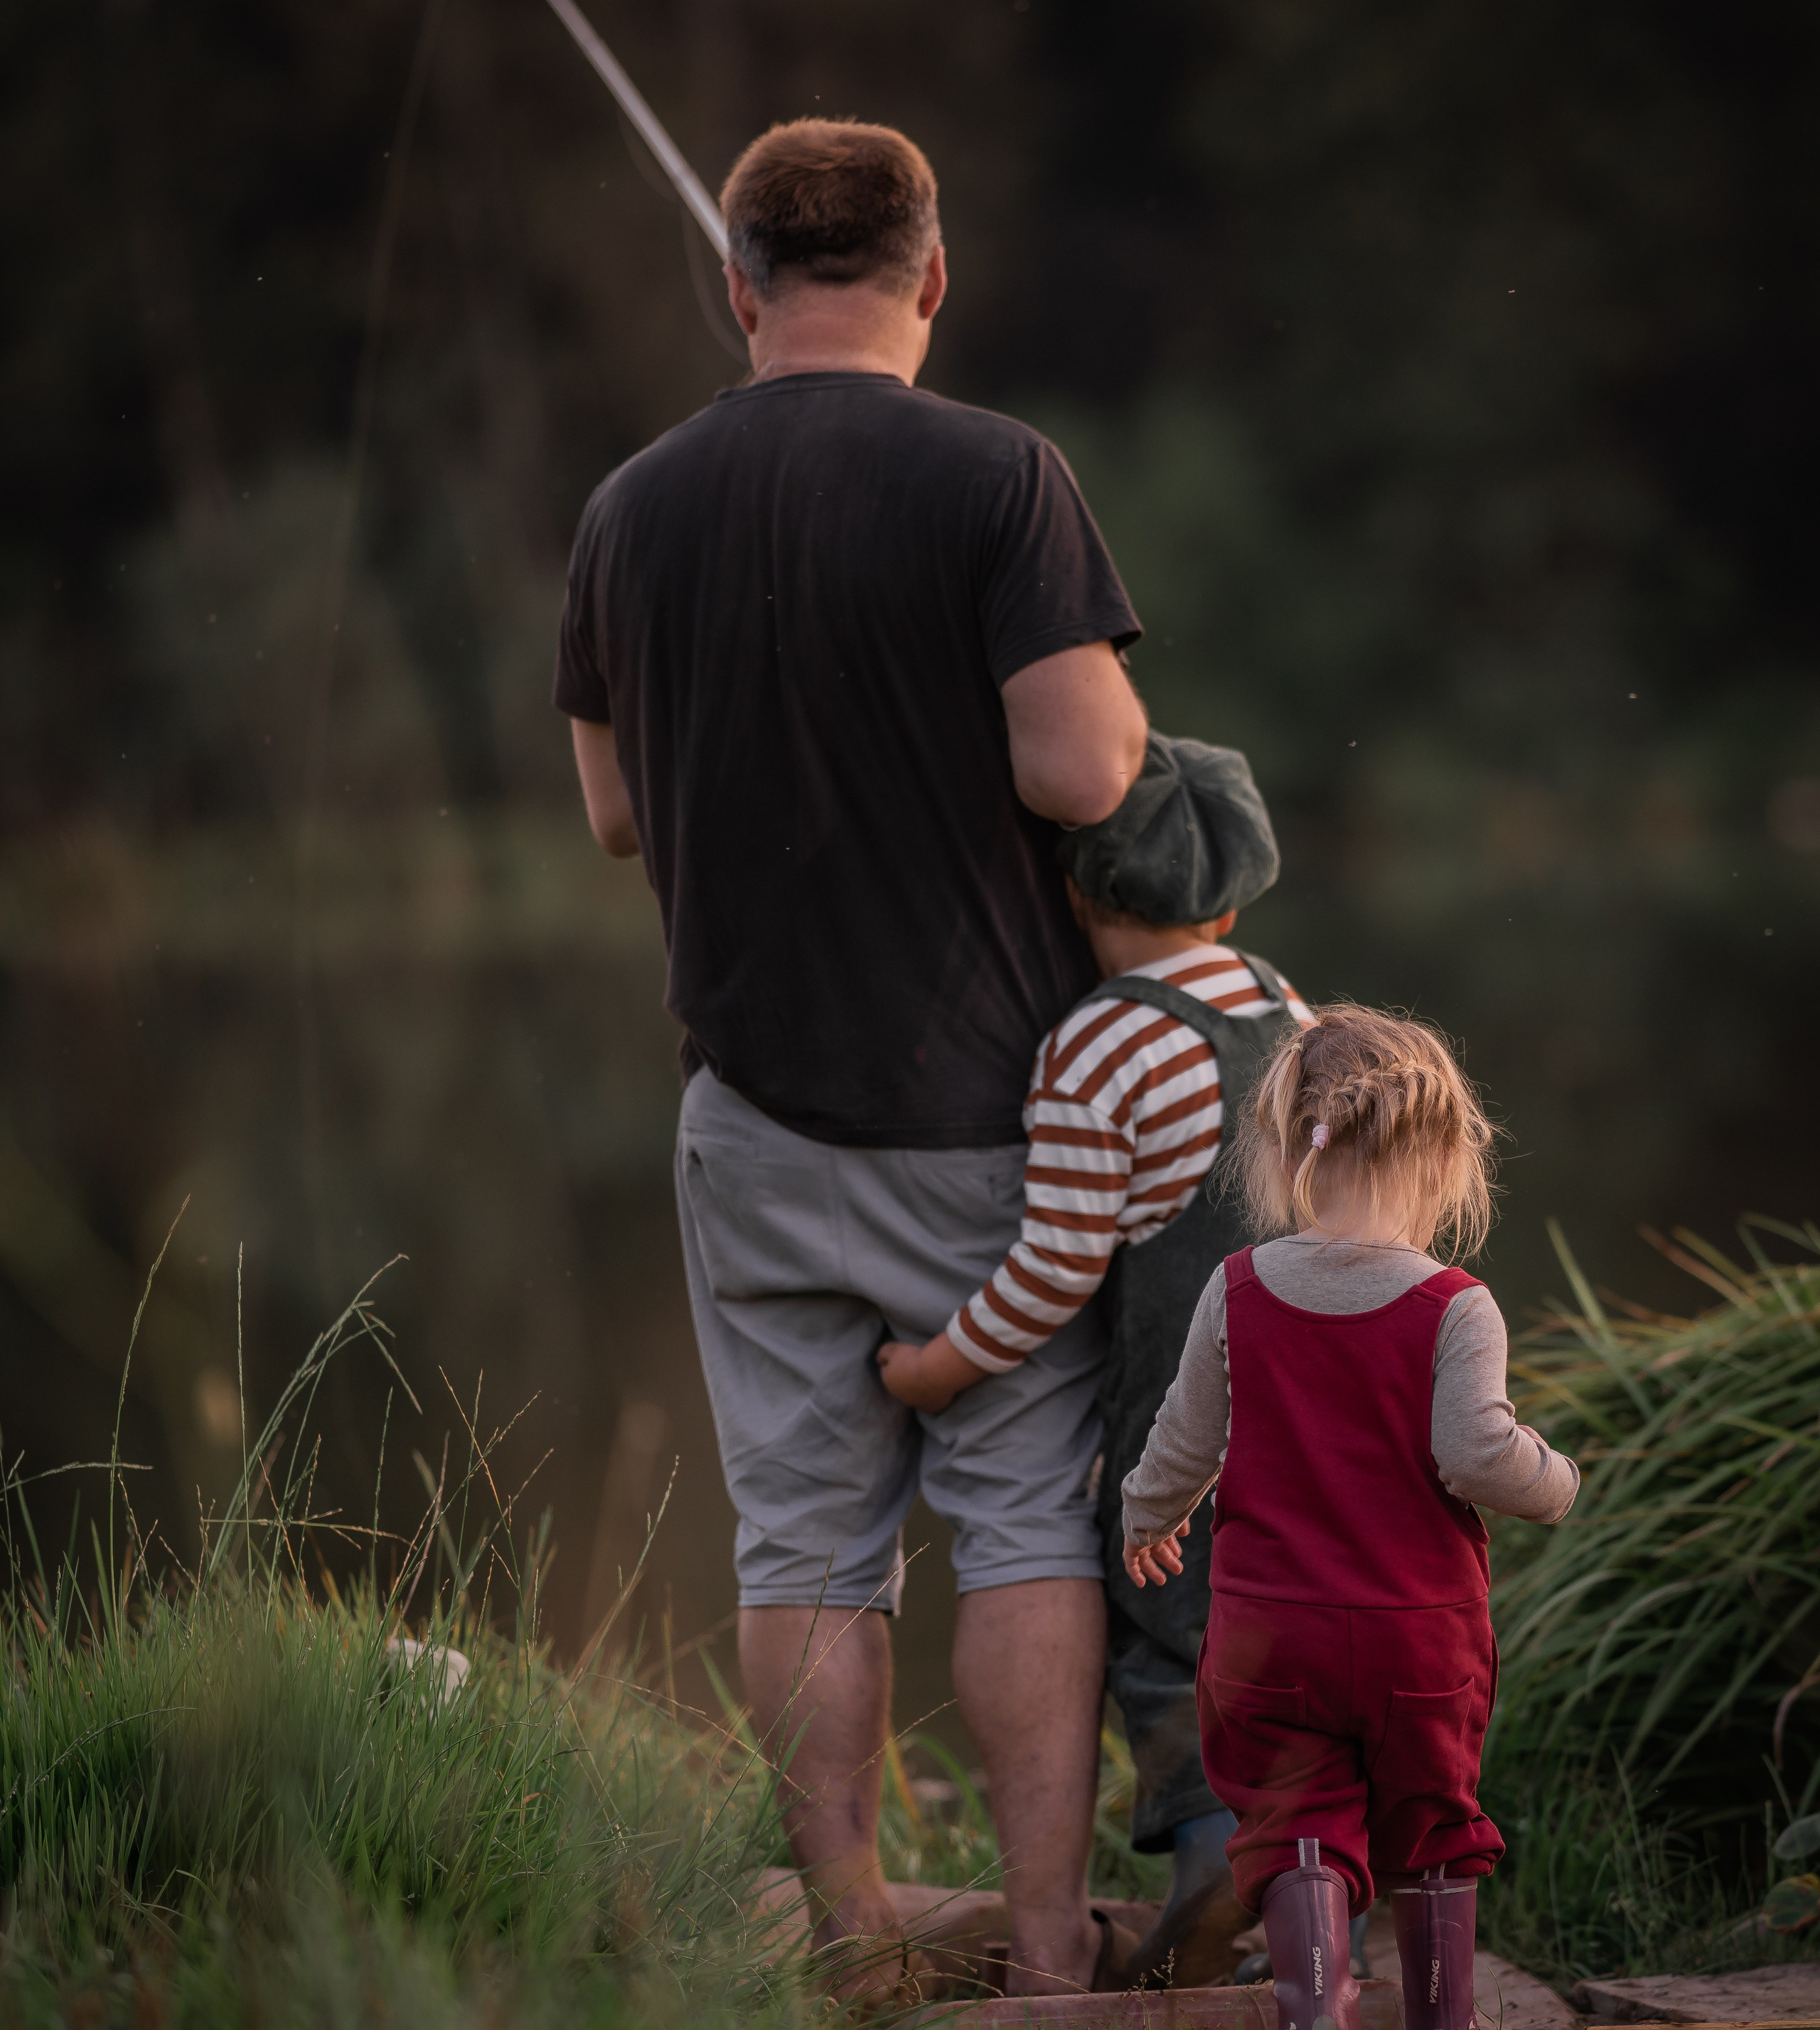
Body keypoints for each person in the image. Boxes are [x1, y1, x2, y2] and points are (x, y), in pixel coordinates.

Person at [555, 117, 1150, 1997]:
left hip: (748, 1117)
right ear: (932, 274)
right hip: (991, 1118)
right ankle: (1047, 1946)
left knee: (803, 1542)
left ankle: (849, 1931)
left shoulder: (626, 507)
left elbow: (611, 815)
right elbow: (1085, 770)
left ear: (736, 288)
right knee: (1025, 1519)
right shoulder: (1000, 476)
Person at [878, 733, 1311, 1988]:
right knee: (1291, 1625)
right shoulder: (1288, 1008)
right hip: (1319, 1396)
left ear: (1077, 895)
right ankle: (1313, 1882)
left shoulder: (1099, 1044)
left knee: (1174, 1636)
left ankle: (1221, 1859)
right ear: (1231, 903)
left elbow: (1055, 1270)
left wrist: (939, 1367)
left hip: (1189, 1416)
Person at [1121, 1008, 1580, 2030]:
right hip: (1418, 1634)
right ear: (1448, 1160)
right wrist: (1555, 1481)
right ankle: (1438, 2019)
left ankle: (1315, 2013)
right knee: (1432, 1828)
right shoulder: (1456, 1303)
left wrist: (1146, 1517)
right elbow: (1476, 1454)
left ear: (1289, 1151)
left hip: (1271, 1634)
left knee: (1297, 1828)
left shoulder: (1237, 1288)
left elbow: (1184, 1437)